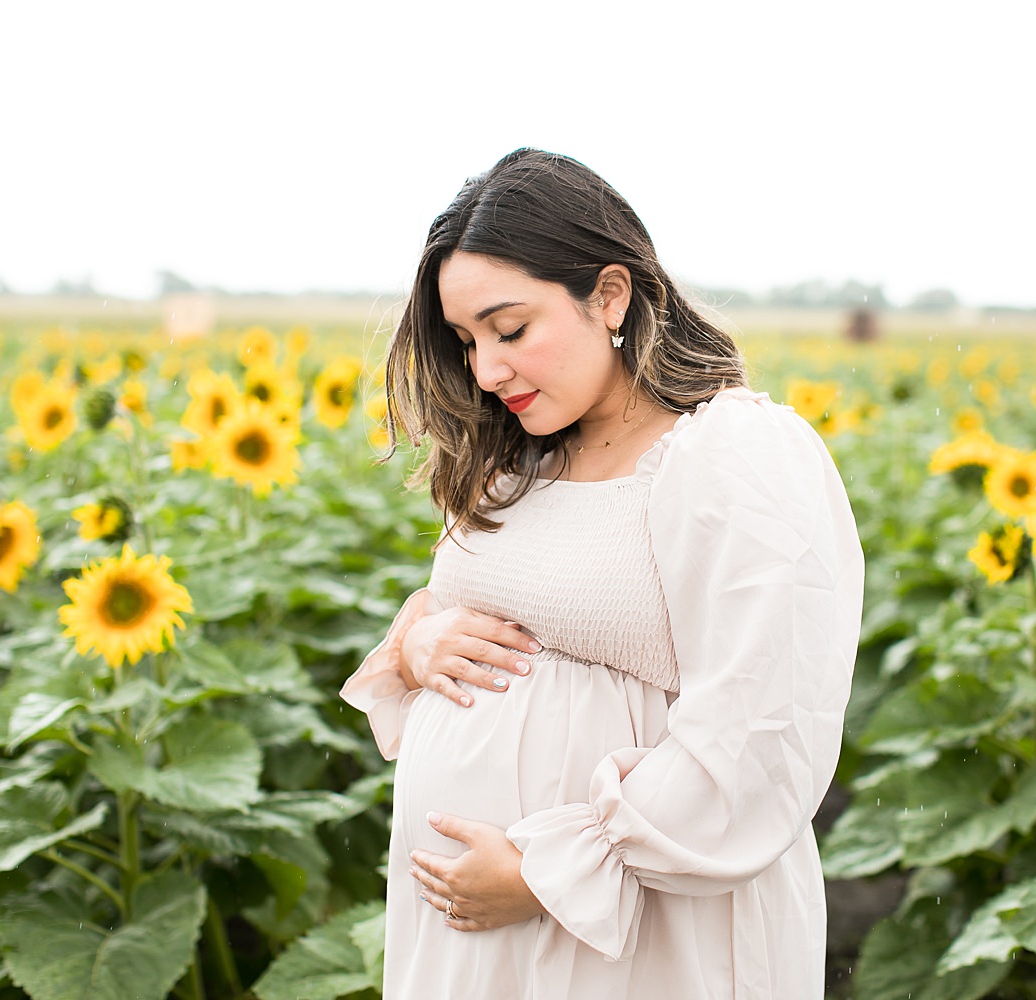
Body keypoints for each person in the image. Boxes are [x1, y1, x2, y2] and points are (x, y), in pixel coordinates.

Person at [340, 148, 864, 999]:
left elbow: (763, 732)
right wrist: (416, 641)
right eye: (467, 341)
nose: (486, 369)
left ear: (610, 295)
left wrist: (553, 868)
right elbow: (468, 608)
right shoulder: (517, 463)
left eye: (510, 330)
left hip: (639, 933)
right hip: (476, 939)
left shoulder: (734, 456)